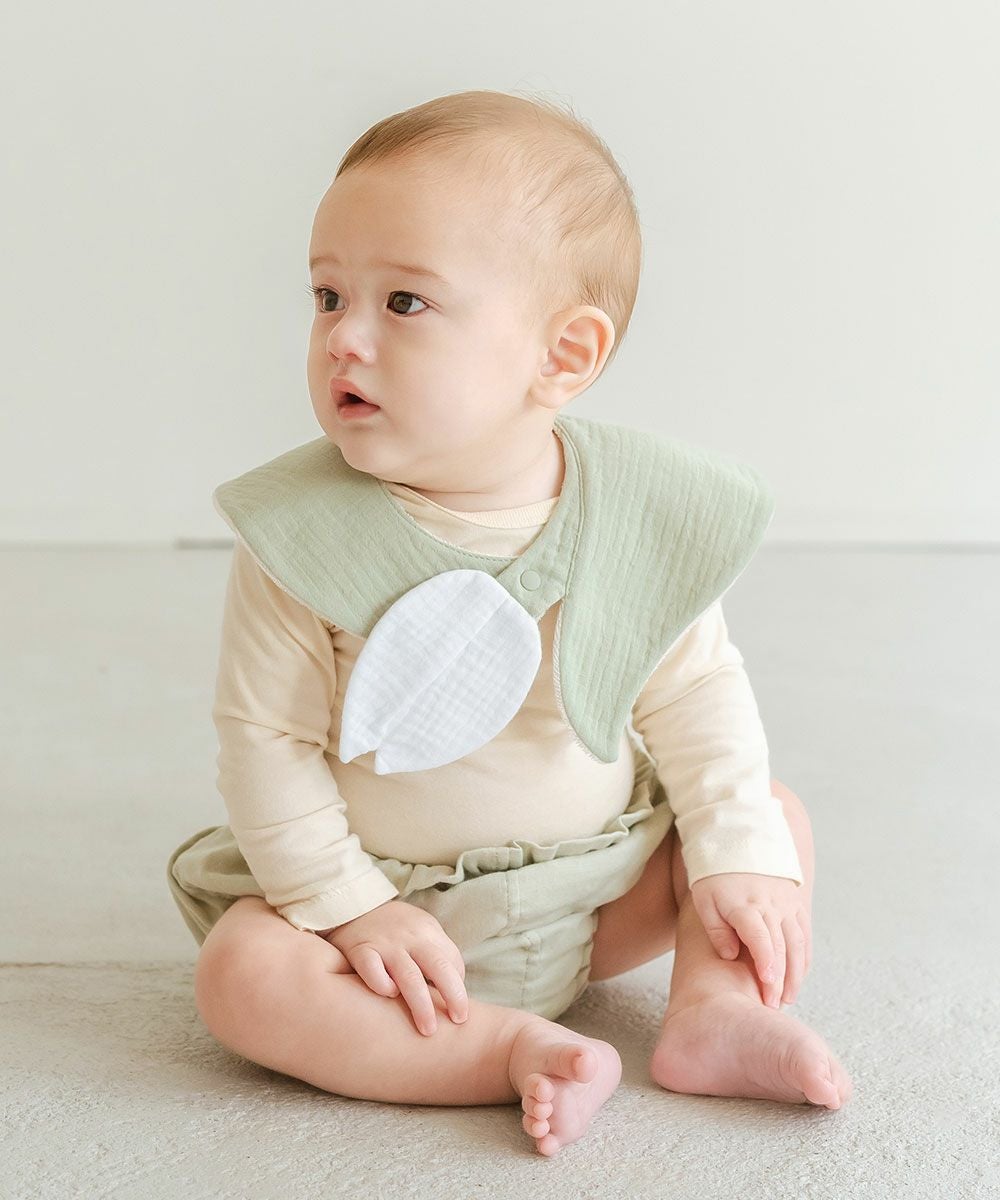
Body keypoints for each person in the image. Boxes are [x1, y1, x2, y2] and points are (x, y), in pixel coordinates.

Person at [166, 88, 852, 1157]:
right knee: (242, 974)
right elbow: (266, 742)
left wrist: (734, 860)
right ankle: (497, 1051)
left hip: (599, 885)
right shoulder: (299, 538)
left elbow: (695, 695)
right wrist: (347, 906)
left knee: (768, 821)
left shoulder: (633, 514)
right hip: (393, 918)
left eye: (403, 302)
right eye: (327, 294)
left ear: (563, 356)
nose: (343, 337)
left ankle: (712, 1012)